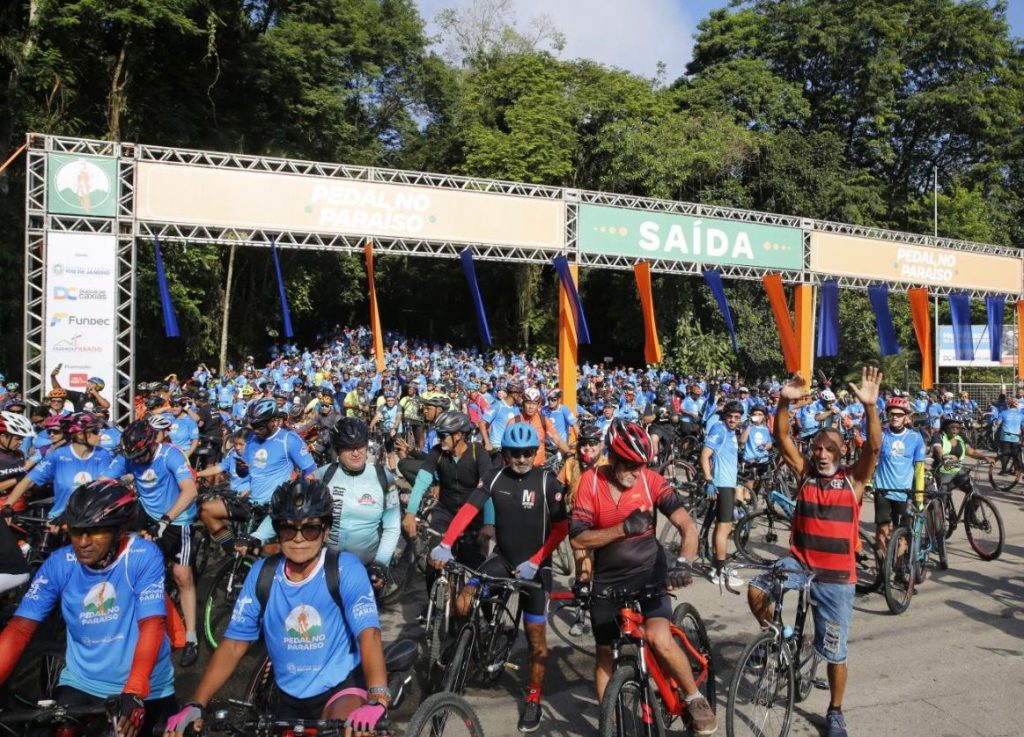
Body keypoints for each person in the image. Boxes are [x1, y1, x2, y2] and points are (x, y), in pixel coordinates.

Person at [164, 479, 390, 737]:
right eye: (287, 529)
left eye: (311, 530)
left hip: (341, 689)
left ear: (326, 531)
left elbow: (369, 634)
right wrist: (197, 702)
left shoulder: (345, 569)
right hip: (288, 697)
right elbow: (235, 644)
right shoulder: (262, 573)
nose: (298, 539)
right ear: (277, 530)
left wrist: (377, 698)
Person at [751, 367, 884, 737]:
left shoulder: (854, 480)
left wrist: (871, 408)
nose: (822, 454)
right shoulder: (806, 473)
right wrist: (782, 401)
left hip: (837, 578)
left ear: (843, 453)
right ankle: (778, 636)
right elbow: (781, 436)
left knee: (835, 653)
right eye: (818, 449)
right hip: (799, 563)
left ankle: (836, 710)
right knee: (756, 590)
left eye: (830, 449)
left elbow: (874, 448)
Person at [569, 419, 716, 736]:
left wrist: (683, 564)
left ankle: (694, 696)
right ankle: (611, 721)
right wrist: (622, 529)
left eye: (642, 465)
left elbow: (688, 528)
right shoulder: (589, 482)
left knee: (659, 639)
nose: (637, 472)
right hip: (607, 581)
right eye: (631, 466)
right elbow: (578, 539)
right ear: (612, 457)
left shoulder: (651, 481)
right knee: (605, 653)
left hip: (649, 574)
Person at [0, 481, 176, 737]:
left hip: (145, 683)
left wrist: (135, 691)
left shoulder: (142, 554)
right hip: (82, 681)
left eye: (95, 532)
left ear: (118, 531)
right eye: (77, 531)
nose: (82, 542)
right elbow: (19, 629)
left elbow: (151, 623)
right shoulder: (60, 562)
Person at [429, 422, 568, 732]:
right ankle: (472, 643)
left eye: (527, 453)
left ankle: (533, 698)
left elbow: (561, 528)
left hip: (536, 565)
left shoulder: (547, 482)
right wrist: (446, 544)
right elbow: (467, 510)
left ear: (536, 453)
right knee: (464, 599)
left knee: (536, 641)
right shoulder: (494, 477)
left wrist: (536, 560)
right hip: (503, 558)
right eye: (515, 454)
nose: (521, 459)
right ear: (505, 454)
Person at [101, 420, 202, 668]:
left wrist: (167, 520)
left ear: (152, 443)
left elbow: (190, 491)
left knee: (182, 577)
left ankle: (191, 636)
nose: (136, 461)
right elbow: (102, 480)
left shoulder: (171, 454)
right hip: (148, 515)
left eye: (141, 455)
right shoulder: (131, 455)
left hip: (178, 518)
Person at [403, 411, 494, 585]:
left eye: (443, 435)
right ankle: (433, 609)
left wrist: (489, 523)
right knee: (434, 562)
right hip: (445, 512)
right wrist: (410, 512)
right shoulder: (437, 452)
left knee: (477, 575)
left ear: (459, 435)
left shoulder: (478, 452)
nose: (439, 439)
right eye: (437, 434)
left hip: (473, 516)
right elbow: (422, 481)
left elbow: (487, 489)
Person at [317, 418, 401, 590]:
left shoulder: (384, 477)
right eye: (348, 447)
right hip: (327, 567)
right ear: (338, 450)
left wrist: (380, 564)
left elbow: (392, 527)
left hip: (367, 570)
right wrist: (258, 536)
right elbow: (290, 512)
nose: (356, 453)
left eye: (360, 445)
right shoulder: (323, 475)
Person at [3, 412, 114, 523]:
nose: (99, 435)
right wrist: (8, 506)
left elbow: (107, 488)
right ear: (80, 434)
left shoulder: (103, 455)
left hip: (92, 519)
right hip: (58, 521)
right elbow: (28, 481)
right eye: (95, 432)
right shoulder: (57, 456)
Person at [872, 396, 926, 557]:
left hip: (905, 492)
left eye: (899, 414)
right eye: (892, 414)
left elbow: (919, 470)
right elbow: (871, 460)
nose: (895, 417)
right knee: (882, 530)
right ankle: (882, 570)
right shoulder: (881, 436)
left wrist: (919, 497)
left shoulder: (915, 438)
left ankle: (899, 567)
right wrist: (868, 481)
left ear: (907, 417)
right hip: (883, 490)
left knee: (901, 533)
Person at [700, 399, 745, 587]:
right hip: (721, 484)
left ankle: (716, 564)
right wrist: (709, 480)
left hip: (728, 483)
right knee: (724, 528)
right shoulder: (719, 429)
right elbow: (704, 455)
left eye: (736, 417)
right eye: (730, 416)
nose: (733, 420)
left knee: (721, 526)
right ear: (724, 416)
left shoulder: (731, 432)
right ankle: (720, 570)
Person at [930, 416, 995, 494]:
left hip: (958, 470)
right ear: (946, 427)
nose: (955, 429)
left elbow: (971, 452)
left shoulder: (961, 437)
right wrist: (945, 458)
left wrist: (985, 458)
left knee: (975, 495)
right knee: (943, 497)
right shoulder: (938, 436)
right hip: (942, 472)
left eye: (958, 428)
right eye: (952, 427)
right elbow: (938, 450)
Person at [0, 410, 35, 502]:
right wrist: (16, 480)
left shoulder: (19, 453)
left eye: (22, 439)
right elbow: (19, 479)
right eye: (17, 439)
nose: (21, 442)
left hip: (19, 506)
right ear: (2, 437)